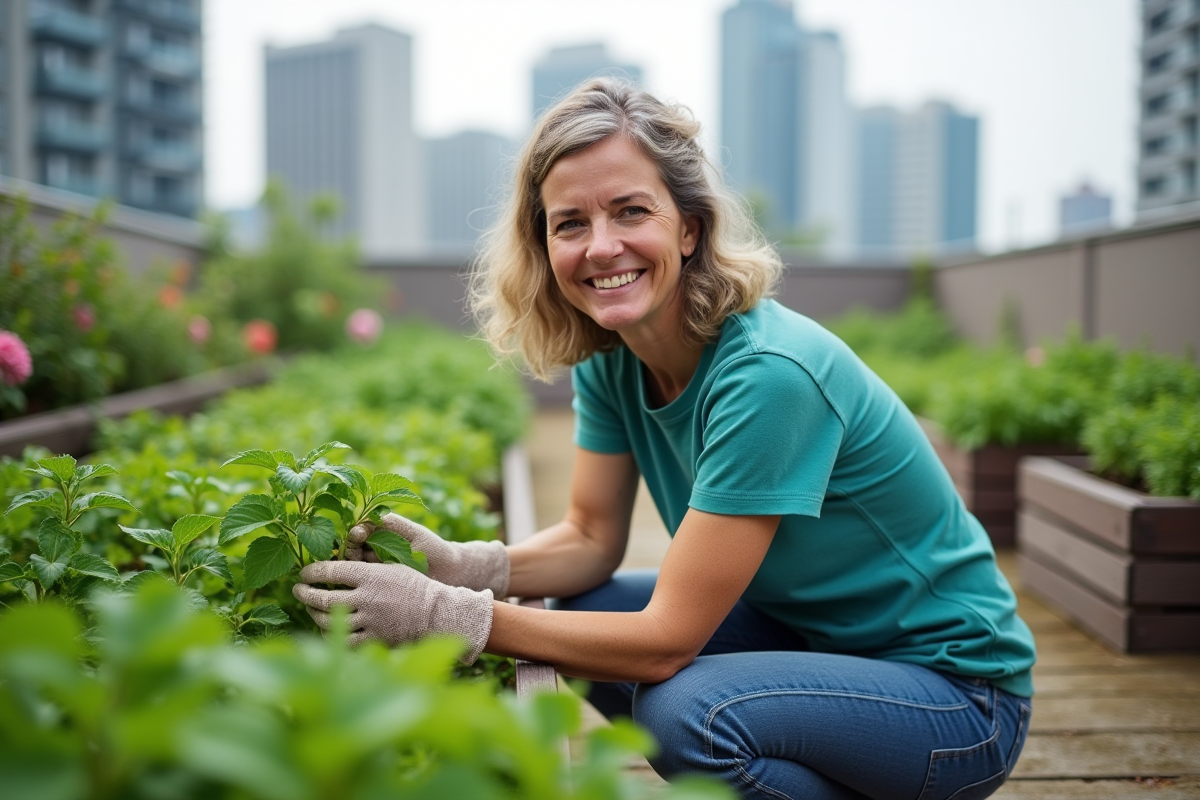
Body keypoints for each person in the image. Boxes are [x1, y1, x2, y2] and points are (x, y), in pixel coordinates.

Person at [293, 78, 1036, 800]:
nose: (602, 246)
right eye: (570, 223)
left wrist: (444, 615)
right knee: (579, 611)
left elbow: (669, 639)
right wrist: (462, 566)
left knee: (692, 715)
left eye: (630, 211)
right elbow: (589, 536)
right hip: (815, 639)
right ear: (544, 245)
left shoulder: (768, 376)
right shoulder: (616, 363)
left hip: (957, 696)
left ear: (689, 227)